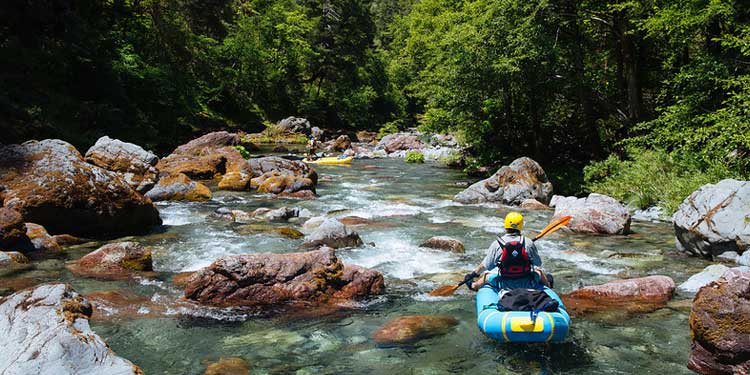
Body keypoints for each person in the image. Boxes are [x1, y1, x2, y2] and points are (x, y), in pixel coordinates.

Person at [463, 211, 551, 291]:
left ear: (505, 225)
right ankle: (548, 285)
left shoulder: (497, 244)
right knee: (539, 271)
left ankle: (473, 286)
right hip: (527, 282)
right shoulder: (528, 242)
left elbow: (487, 265)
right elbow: (538, 263)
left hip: (504, 283)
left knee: (486, 276)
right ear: (521, 225)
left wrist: (474, 274)